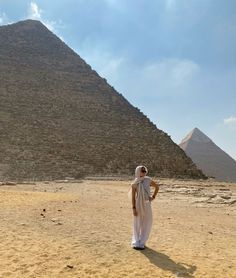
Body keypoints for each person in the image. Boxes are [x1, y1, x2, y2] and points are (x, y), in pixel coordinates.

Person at [130, 165, 159, 250]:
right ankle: (136, 242)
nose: (144, 172)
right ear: (138, 172)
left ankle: (142, 242)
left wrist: (153, 197)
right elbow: (133, 197)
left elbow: (157, 187)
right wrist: (133, 208)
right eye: (142, 171)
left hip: (147, 204)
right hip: (138, 205)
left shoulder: (148, 180)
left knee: (147, 223)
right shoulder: (134, 184)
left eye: (145, 171)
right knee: (137, 223)